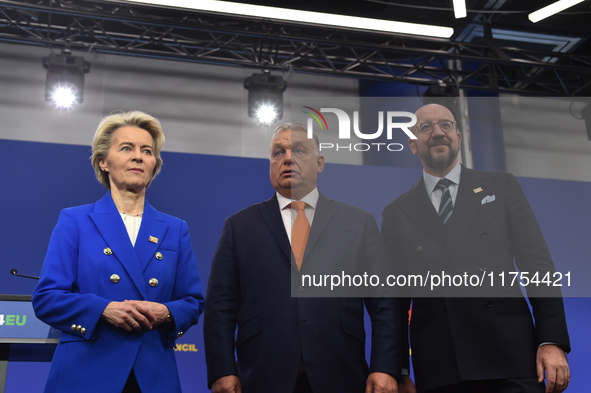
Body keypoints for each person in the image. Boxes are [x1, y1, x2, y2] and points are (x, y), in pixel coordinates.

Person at [381, 103, 571, 393]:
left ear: (458, 134)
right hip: (441, 366)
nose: (437, 133)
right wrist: (396, 369)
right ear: (412, 144)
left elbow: (538, 267)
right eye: (425, 127)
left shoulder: (501, 186)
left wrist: (551, 341)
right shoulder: (396, 212)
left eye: (445, 125)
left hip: (510, 357)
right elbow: (395, 299)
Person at [203, 122, 401, 393]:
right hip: (262, 376)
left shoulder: (358, 222)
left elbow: (385, 302)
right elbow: (219, 308)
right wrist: (222, 370)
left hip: (342, 373)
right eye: (278, 152)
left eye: (299, 150)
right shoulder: (239, 226)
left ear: (320, 162)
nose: (287, 158)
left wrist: (386, 366)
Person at [32, 111, 204, 393]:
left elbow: (193, 301)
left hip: (153, 376)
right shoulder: (75, 220)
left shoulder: (175, 228)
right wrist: (104, 309)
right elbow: (47, 298)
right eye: (126, 148)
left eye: (147, 151)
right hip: (86, 372)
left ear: (154, 165)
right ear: (104, 162)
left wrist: (165, 312)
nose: (138, 156)